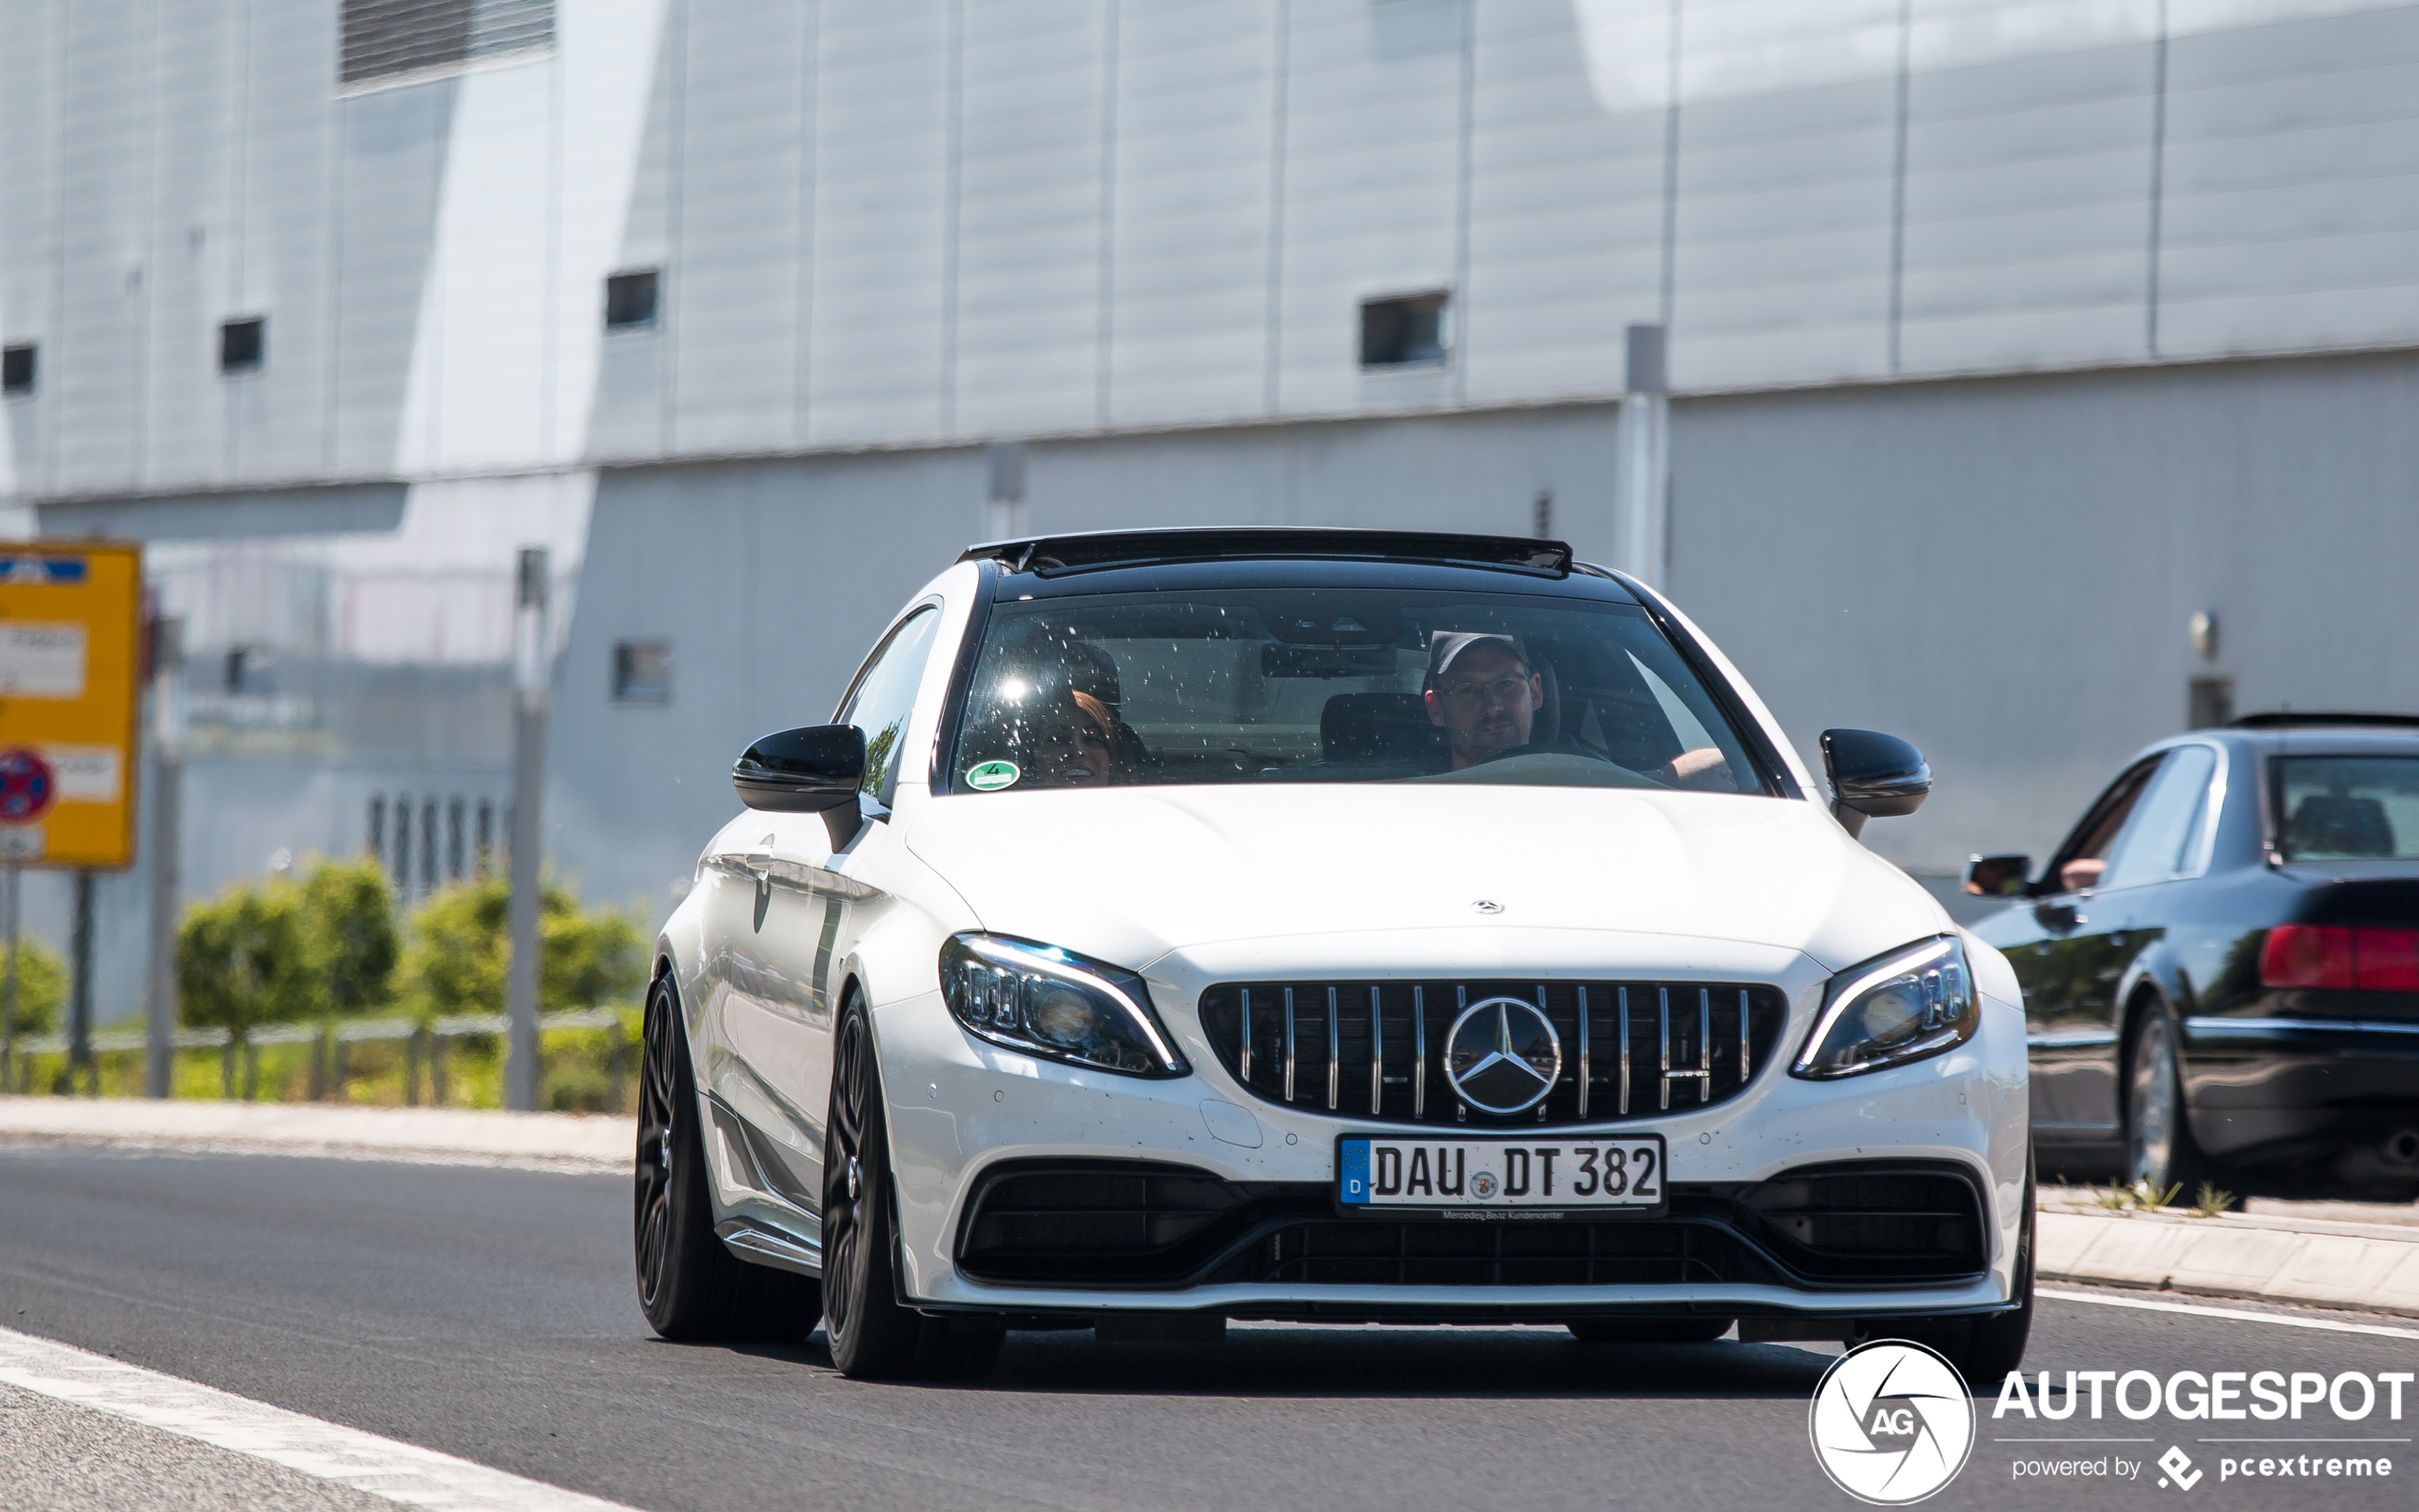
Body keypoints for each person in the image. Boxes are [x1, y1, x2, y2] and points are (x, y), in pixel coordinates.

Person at [1422, 630, 1732, 787]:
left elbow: (1721, 768)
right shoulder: (1395, 795)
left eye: (1506, 684)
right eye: (1469, 690)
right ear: (1435, 708)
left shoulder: (1594, 780)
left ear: (1535, 691)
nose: (1493, 706)